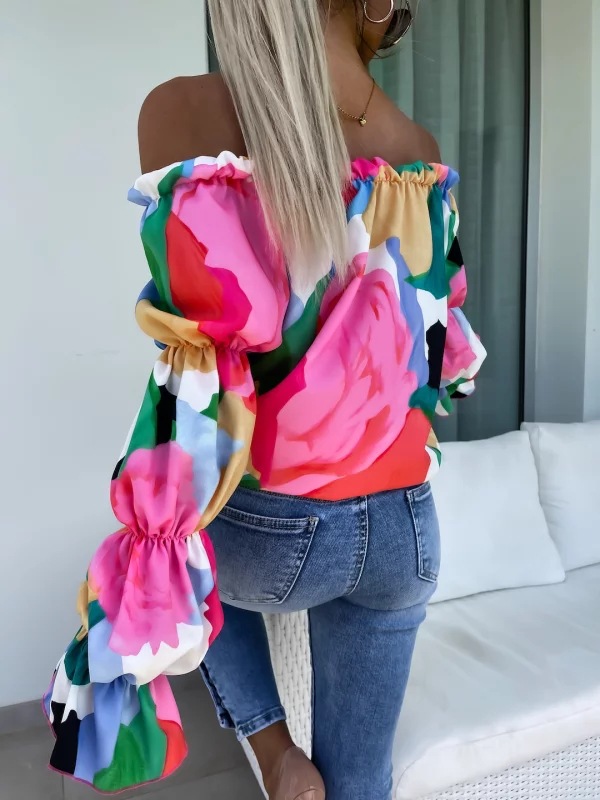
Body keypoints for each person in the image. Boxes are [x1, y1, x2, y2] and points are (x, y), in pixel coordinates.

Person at [44, 1, 486, 799]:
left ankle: (275, 750)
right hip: (408, 530)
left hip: (280, 538)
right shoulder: (422, 154)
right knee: (364, 781)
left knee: (183, 547)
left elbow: (203, 357)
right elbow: (432, 354)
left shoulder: (184, 110)